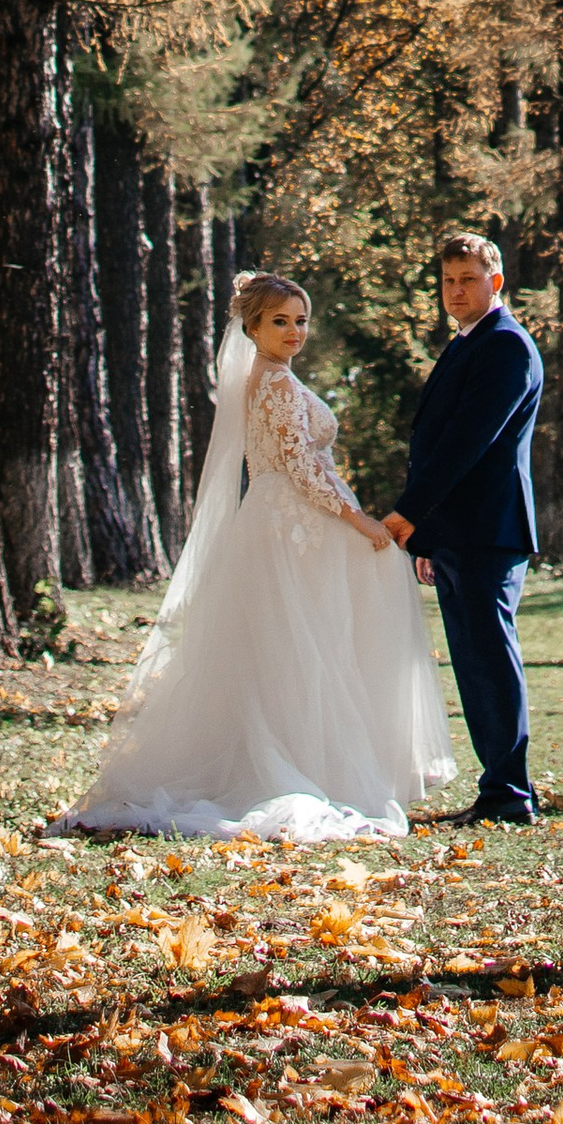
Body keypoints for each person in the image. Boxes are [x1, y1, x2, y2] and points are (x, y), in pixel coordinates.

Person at [59, 270, 453, 840]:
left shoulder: (269, 378)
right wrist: (361, 520)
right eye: (280, 321)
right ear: (253, 326)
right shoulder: (277, 385)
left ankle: (310, 758)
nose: (294, 331)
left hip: (280, 521)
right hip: (293, 525)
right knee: (301, 644)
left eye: (301, 320)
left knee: (293, 646)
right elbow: (301, 467)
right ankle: (301, 768)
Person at [383, 231, 544, 825]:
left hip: (487, 532)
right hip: (456, 534)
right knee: (475, 665)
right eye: (448, 280)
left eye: (468, 279)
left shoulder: (506, 346)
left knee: (489, 662)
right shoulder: (466, 342)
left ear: (495, 282)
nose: (455, 291)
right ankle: (499, 791)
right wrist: (429, 538)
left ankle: (510, 797)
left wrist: (408, 516)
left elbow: (465, 446)